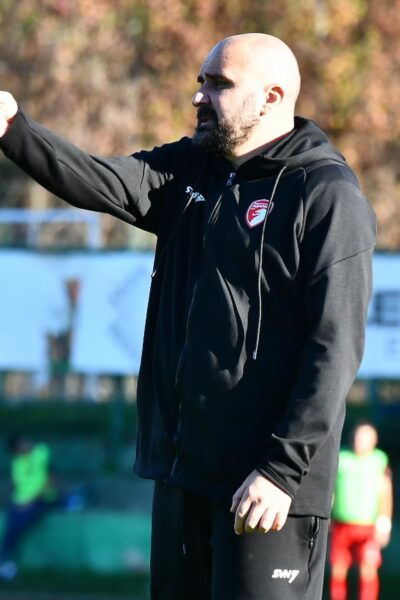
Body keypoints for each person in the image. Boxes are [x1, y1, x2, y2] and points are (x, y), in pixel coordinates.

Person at [0, 33, 376, 599]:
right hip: (182, 477)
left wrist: (282, 470)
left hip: (268, 490)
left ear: (272, 97)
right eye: (201, 81)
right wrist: (12, 129)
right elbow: (98, 179)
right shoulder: (191, 169)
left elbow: (335, 348)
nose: (200, 96)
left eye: (219, 84)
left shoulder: (325, 193)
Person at [330, 422, 393, 600]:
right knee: (339, 567)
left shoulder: (379, 460)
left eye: (366, 437)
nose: (361, 440)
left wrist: (384, 523)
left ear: (374, 440)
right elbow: (331, 490)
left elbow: (385, 492)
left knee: (368, 568)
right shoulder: (341, 457)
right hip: (342, 523)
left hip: (368, 525)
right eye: (359, 436)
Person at [0, 435, 60, 580]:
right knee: (11, 528)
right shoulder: (18, 461)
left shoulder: (42, 453)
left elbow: (51, 480)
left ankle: (6, 563)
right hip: (20, 502)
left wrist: (31, 501)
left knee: (16, 527)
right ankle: (5, 563)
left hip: (41, 500)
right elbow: (17, 484)